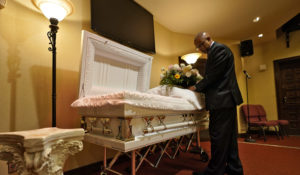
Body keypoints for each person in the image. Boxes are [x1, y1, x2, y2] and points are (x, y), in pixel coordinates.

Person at [189, 32, 244, 175]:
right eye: (198, 46)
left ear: (209, 38)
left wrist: (195, 88)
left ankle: (214, 171)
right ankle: (234, 168)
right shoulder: (216, 51)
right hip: (226, 100)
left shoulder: (218, 49)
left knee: (218, 136)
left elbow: (213, 76)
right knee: (229, 137)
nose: (200, 48)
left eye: (201, 44)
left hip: (222, 100)